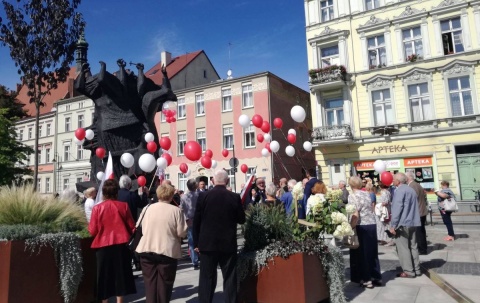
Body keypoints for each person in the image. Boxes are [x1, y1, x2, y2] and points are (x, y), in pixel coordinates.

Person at [193, 170, 246, 303]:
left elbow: (196, 222)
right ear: (227, 181)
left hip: (207, 244)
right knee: (229, 278)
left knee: (206, 278)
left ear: (213, 181)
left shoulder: (203, 196)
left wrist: (196, 243)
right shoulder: (234, 197)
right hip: (227, 244)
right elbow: (241, 219)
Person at [136, 184, 188, 303]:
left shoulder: (147, 208)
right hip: (167, 251)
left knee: (150, 284)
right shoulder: (176, 211)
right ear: (171, 195)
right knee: (165, 285)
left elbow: (139, 227)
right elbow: (181, 232)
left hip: (146, 249)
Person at [88, 179, 136, 303]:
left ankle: (105, 301)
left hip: (102, 246)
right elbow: (132, 226)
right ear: (116, 192)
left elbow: (92, 231)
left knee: (103, 276)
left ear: (103, 193)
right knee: (120, 275)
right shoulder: (123, 206)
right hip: (121, 245)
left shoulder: (97, 208)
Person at [348, 176, 382, 288]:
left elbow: (355, 214)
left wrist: (350, 227)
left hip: (361, 226)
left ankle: (366, 279)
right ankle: (376, 276)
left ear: (351, 185)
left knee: (362, 253)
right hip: (372, 224)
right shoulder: (366, 193)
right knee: (372, 252)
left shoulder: (352, 196)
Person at [389, 173, 421, 278]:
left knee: (403, 248)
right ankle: (416, 269)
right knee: (413, 246)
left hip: (402, 223)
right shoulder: (411, 190)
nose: (392, 181)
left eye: (394, 179)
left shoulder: (399, 191)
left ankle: (408, 271)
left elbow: (397, 209)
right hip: (413, 221)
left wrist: (393, 225)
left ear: (398, 181)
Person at [179, 179, 200, 269]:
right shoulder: (199, 195)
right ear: (195, 186)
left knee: (191, 241)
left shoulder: (183, 197)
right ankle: (199, 257)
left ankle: (194, 261)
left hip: (189, 220)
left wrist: (185, 218)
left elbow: (181, 209)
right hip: (199, 220)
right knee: (200, 239)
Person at [406, 172, 428, 254]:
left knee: (419, 232)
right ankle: (423, 248)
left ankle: (422, 249)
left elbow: (412, 199)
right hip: (421, 211)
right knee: (421, 231)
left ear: (408, 178)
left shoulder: (412, 186)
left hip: (418, 212)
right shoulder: (417, 184)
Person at [376, 182, 393, 246]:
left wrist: (378, 205)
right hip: (385, 210)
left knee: (385, 224)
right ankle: (383, 239)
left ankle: (388, 239)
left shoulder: (384, 192)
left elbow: (385, 202)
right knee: (384, 225)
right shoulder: (387, 192)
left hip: (383, 210)